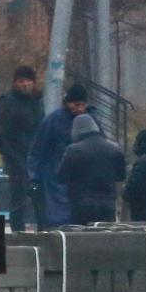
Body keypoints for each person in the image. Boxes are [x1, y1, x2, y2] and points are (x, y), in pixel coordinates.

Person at [27, 82, 92, 228]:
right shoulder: (53, 120)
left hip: (76, 179)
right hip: (54, 179)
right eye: (76, 104)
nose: (79, 108)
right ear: (68, 102)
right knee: (57, 220)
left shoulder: (86, 119)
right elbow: (37, 151)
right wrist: (34, 178)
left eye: (82, 104)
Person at [0, 64, 45, 229]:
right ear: (15, 83)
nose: (25, 84)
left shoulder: (37, 101)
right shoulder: (8, 102)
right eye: (21, 81)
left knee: (39, 195)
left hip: (35, 157)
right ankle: (18, 231)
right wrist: (13, 158)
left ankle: (43, 228)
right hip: (16, 158)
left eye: (28, 81)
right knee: (18, 197)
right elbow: (0, 134)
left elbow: (41, 128)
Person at [58, 113, 128, 224]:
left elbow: (61, 177)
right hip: (108, 204)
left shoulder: (73, 150)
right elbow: (121, 176)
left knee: (81, 239)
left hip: (81, 204)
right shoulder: (114, 148)